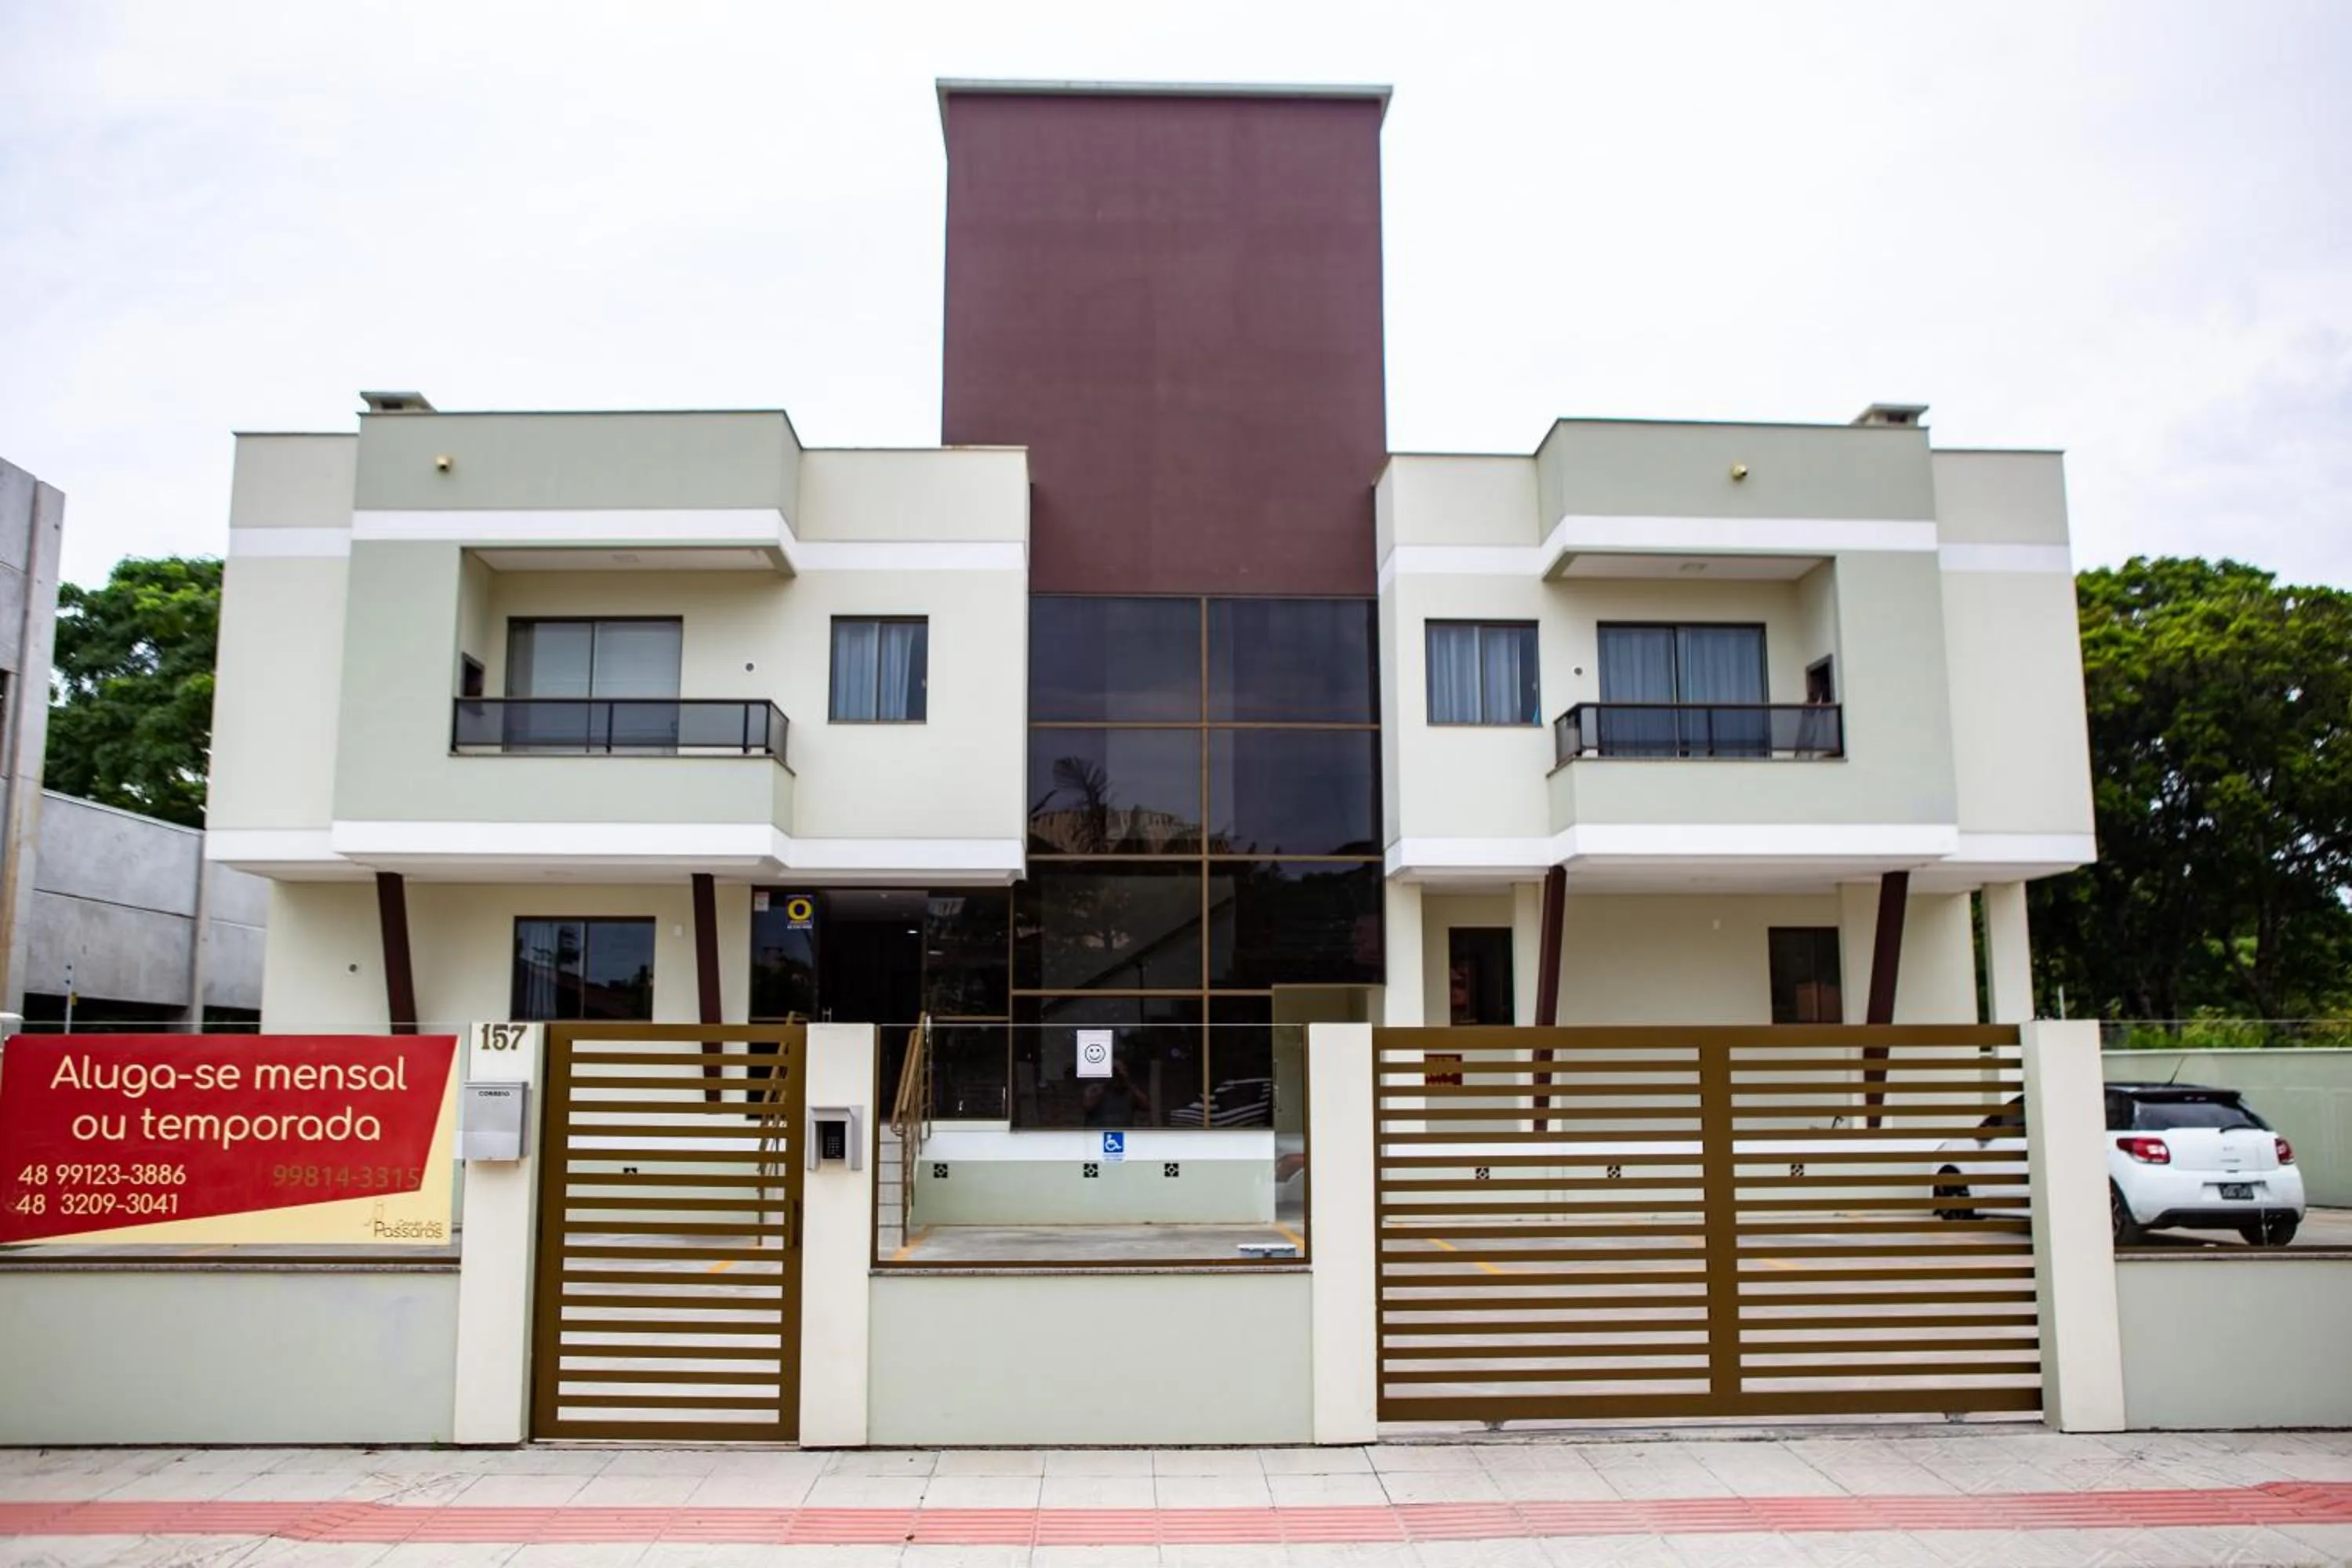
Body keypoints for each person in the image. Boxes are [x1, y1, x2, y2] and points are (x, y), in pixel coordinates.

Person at [1083, 1054, 1151, 1127]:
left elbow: (1146, 1106)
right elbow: (1087, 1107)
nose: (1116, 1076)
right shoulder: (1095, 1089)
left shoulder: (1130, 1091)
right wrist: (1106, 1085)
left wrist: (1126, 1081)